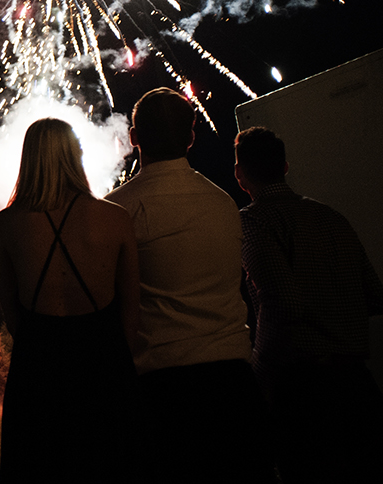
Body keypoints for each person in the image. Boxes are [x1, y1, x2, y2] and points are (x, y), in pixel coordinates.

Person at [104, 88, 273, 483]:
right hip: (233, 388)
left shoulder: (117, 211)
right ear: (191, 137)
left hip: (162, 393)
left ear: (133, 137)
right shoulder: (223, 204)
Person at [234, 126, 383, 483]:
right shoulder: (330, 216)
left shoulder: (253, 221)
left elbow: (283, 305)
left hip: (305, 394)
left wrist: (257, 376)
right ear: (285, 166)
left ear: (239, 174)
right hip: (359, 387)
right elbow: (377, 298)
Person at [0, 118, 140, 482]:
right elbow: (131, 312)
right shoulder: (115, 219)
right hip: (103, 365)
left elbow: (11, 312)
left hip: (37, 368)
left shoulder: (6, 224)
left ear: (29, 159)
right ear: (76, 155)